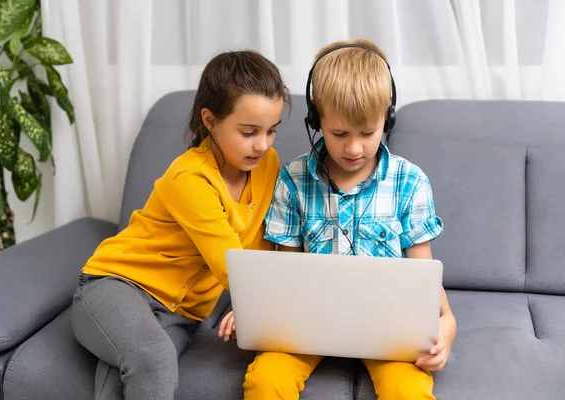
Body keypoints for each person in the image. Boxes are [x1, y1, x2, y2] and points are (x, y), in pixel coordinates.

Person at [219, 39, 457, 400]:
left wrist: (447, 325)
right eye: (339, 133)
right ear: (317, 118)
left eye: (368, 133)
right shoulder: (293, 180)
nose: (354, 148)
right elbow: (284, 272)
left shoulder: (409, 183)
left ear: (387, 117)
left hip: (388, 331)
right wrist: (255, 311)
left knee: (408, 391)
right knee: (266, 380)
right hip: (306, 326)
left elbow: (423, 279)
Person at [71, 50, 289, 400]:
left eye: (271, 131)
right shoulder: (189, 178)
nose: (262, 145)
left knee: (137, 374)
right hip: (117, 287)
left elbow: (260, 244)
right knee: (153, 361)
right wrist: (258, 305)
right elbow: (231, 260)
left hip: (182, 313)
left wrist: (245, 305)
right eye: (249, 132)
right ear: (210, 119)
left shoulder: (267, 164)